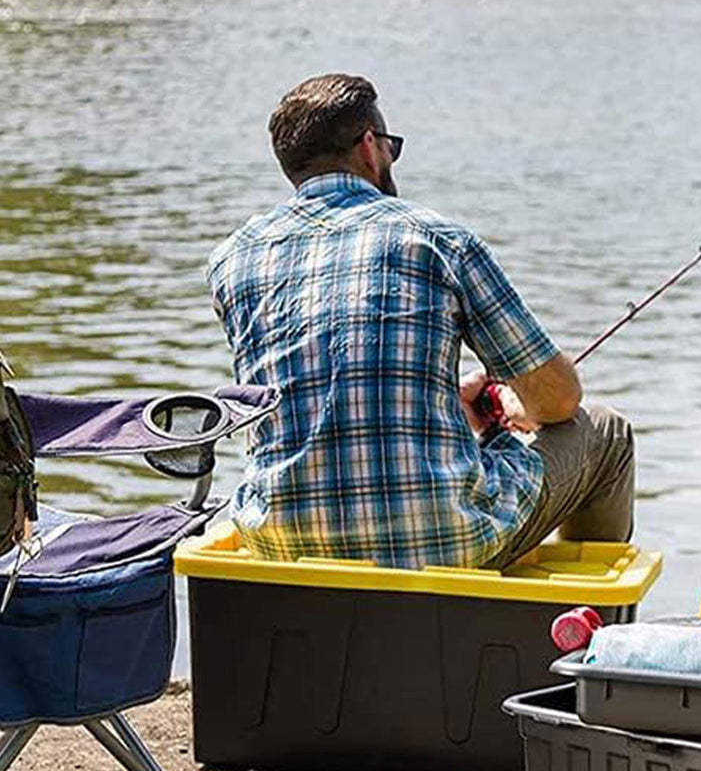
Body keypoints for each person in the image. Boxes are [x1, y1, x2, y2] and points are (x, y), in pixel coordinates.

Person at [207, 73, 634, 570]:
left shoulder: (233, 260)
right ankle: (584, 631)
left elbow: (313, 392)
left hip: (279, 541)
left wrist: (449, 408)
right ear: (370, 147)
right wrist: (515, 406)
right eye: (391, 146)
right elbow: (559, 400)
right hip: (441, 544)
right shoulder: (437, 239)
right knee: (606, 430)